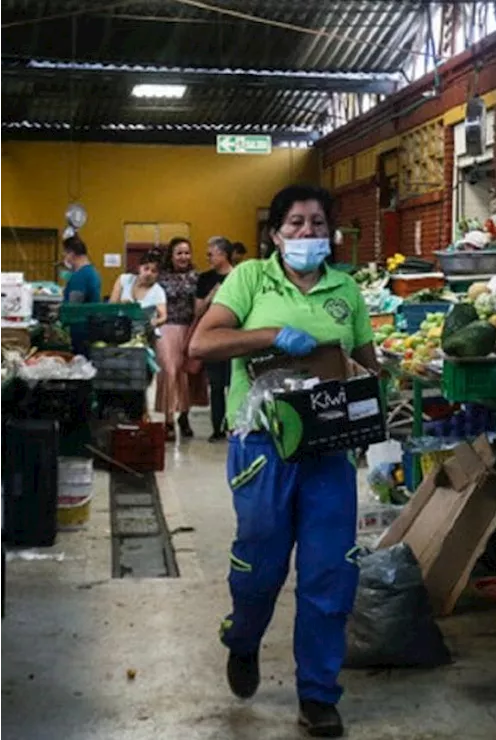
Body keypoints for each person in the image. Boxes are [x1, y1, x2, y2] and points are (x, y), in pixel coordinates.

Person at [189, 184, 377, 739]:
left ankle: (318, 694)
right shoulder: (250, 278)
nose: (307, 233)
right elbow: (202, 344)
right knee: (261, 563)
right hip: (263, 445)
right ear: (274, 234)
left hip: (329, 447)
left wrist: (378, 380)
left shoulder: (346, 288)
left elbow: (365, 359)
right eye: (295, 223)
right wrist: (270, 335)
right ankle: (243, 639)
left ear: (331, 234)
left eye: (317, 224)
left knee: (329, 571)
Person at [156, 237, 198, 441]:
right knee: (169, 372)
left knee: (186, 374)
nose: (183, 257)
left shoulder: (196, 277)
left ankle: (184, 415)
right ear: (171, 256)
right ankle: (168, 419)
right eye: (179, 253)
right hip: (166, 328)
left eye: (187, 253)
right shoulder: (161, 277)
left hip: (189, 329)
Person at [196, 237, 235, 441]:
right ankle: (218, 427)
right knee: (216, 385)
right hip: (213, 337)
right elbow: (197, 310)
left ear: (223, 254)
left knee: (236, 382)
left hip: (235, 337)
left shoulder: (239, 277)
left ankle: (235, 424)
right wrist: (212, 295)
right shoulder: (205, 279)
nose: (208, 258)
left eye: (211, 254)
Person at [60, 235, 102, 355]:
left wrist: (59, 312)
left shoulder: (80, 276)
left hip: (81, 331)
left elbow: (74, 307)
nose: (65, 258)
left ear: (72, 253)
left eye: (65, 254)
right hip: (90, 329)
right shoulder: (92, 272)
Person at [108, 248, 168, 328]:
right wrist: (122, 306)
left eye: (154, 271)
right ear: (139, 268)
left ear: (158, 275)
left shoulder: (158, 291)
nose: (149, 273)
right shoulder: (124, 279)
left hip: (145, 332)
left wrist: (154, 322)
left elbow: (163, 317)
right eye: (146, 268)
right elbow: (111, 306)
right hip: (120, 328)